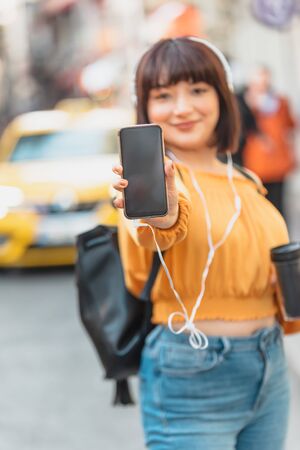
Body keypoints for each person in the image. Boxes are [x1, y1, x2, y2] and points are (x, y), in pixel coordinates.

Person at [112, 37, 300, 450]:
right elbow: (156, 229)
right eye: (163, 95)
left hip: (269, 367)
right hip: (191, 370)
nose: (182, 107)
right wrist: (161, 214)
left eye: (198, 90)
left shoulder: (247, 181)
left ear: (222, 95)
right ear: (144, 107)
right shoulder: (151, 186)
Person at [242, 65, 297, 216]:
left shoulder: (280, 102)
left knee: (279, 203)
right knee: (262, 204)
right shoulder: (247, 103)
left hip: (276, 159)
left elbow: (289, 125)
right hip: (257, 162)